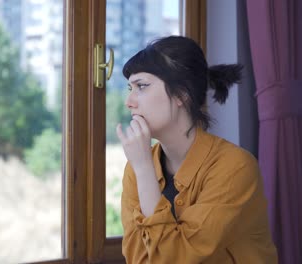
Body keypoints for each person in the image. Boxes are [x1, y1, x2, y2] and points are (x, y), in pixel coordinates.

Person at [116, 36, 278, 263]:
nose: (129, 101)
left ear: (182, 93)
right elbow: (138, 257)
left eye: (141, 86)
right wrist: (142, 167)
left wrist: (143, 169)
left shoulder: (235, 168)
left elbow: (175, 259)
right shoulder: (137, 167)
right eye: (129, 88)